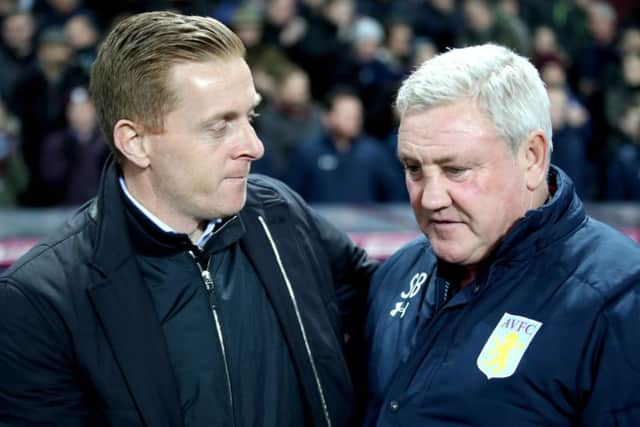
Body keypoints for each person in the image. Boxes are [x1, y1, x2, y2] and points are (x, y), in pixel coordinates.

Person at [0, 11, 377, 426]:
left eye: (249, 117)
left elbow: (390, 312)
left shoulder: (282, 216)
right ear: (136, 142)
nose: (254, 146)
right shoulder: (40, 302)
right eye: (220, 127)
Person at [364, 43, 640, 427]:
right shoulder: (399, 271)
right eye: (413, 168)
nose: (430, 197)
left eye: (456, 169)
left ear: (532, 157)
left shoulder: (619, 298)